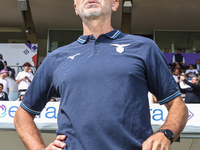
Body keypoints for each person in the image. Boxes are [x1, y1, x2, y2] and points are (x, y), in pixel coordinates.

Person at [14, 1, 188, 150]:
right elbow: (23, 114)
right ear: (76, 7)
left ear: (115, 3)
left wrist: (166, 133)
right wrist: (39, 148)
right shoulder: (56, 58)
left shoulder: (144, 47)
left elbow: (178, 105)